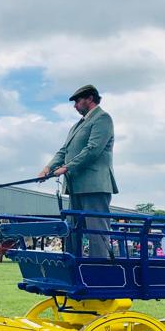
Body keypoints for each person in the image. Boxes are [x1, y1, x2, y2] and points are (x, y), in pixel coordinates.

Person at [38, 84, 118, 258]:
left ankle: (99, 271)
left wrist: (67, 167)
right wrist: (48, 168)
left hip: (95, 185)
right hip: (76, 186)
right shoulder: (77, 126)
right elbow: (64, 150)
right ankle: (73, 268)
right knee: (71, 231)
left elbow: (93, 149)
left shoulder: (103, 118)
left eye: (77, 101)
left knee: (96, 232)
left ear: (90, 99)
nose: (75, 106)